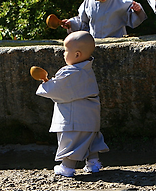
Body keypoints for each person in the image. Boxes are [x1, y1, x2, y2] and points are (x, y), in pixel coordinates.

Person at [35, 31, 109, 177]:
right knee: (90, 139)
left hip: (75, 118)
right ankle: (93, 163)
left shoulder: (70, 72)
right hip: (90, 115)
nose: (63, 53)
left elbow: (59, 90)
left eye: (66, 50)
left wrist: (46, 83)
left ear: (77, 55)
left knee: (73, 142)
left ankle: (67, 167)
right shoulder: (87, 70)